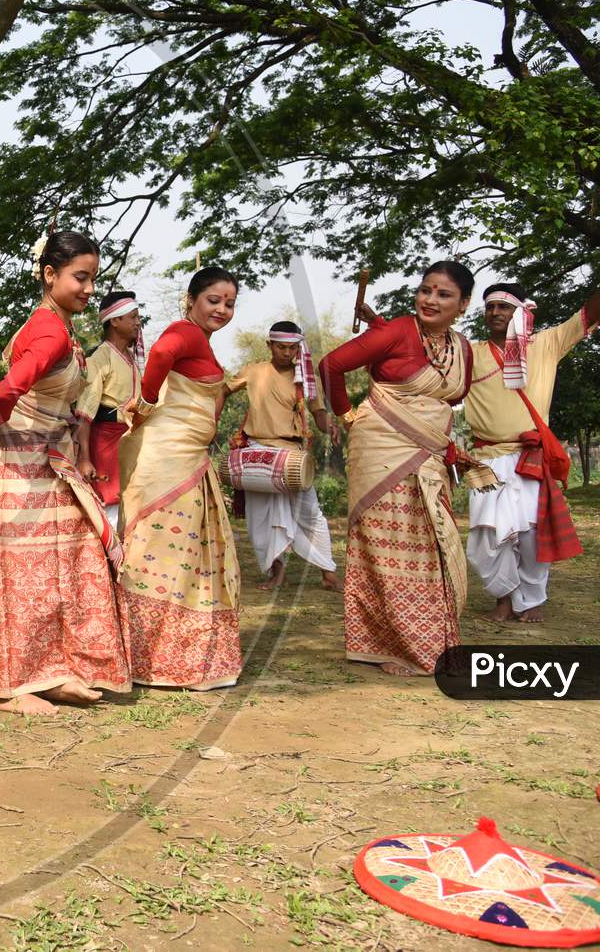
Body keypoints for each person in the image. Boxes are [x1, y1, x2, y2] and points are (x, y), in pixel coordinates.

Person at [0, 231, 129, 715]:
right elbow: (7, 391)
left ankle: (56, 671)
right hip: (21, 469)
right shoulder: (48, 331)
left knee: (66, 565)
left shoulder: (57, 325)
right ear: (49, 275)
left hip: (46, 465)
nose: (88, 288)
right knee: (21, 574)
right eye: (80, 277)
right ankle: (12, 686)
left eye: (93, 278)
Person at [320, 260, 475, 676]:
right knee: (389, 546)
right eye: (426, 290)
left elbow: (449, 398)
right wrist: (346, 415)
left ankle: (430, 639)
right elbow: (330, 365)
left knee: (431, 544)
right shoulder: (397, 330)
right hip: (381, 449)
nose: (430, 299)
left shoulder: (462, 347)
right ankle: (396, 645)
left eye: (443, 294)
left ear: (463, 304)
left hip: (429, 453)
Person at [116, 267, 243, 690]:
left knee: (182, 557)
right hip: (166, 463)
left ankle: (173, 654)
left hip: (184, 460)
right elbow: (160, 355)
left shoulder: (199, 340)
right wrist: (147, 401)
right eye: (213, 300)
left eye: (229, 303)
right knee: (160, 554)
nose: (222, 309)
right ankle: (148, 656)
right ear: (191, 299)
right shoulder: (184, 332)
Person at [463, 282, 598, 622]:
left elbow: (588, 314)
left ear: (520, 312)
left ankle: (532, 598)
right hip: (486, 459)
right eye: (490, 306)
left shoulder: (547, 344)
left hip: (529, 459)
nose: (495, 312)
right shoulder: (469, 352)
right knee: (486, 536)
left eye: (504, 307)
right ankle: (504, 597)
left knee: (530, 535)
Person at [224, 321, 342, 591]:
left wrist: (331, 427)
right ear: (270, 345)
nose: (287, 353)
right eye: (281, 347)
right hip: (258, 453)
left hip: (293, 456)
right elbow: (222, 391)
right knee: (261, 518)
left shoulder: (305, 377)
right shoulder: (253, 371)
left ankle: (328, 573)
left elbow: (318, 413)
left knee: (311, 514)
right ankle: (277, 573)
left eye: (292, 348)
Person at [74, 290, 143, 529]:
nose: (138, 322)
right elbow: (84, 415)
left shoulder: (132, 360)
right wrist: (85, 458)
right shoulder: (100, 359)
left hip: (129, 442)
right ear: (115, 320)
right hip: (106, 444)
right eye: (133, 316)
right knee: (109, 510)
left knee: (129, 507)